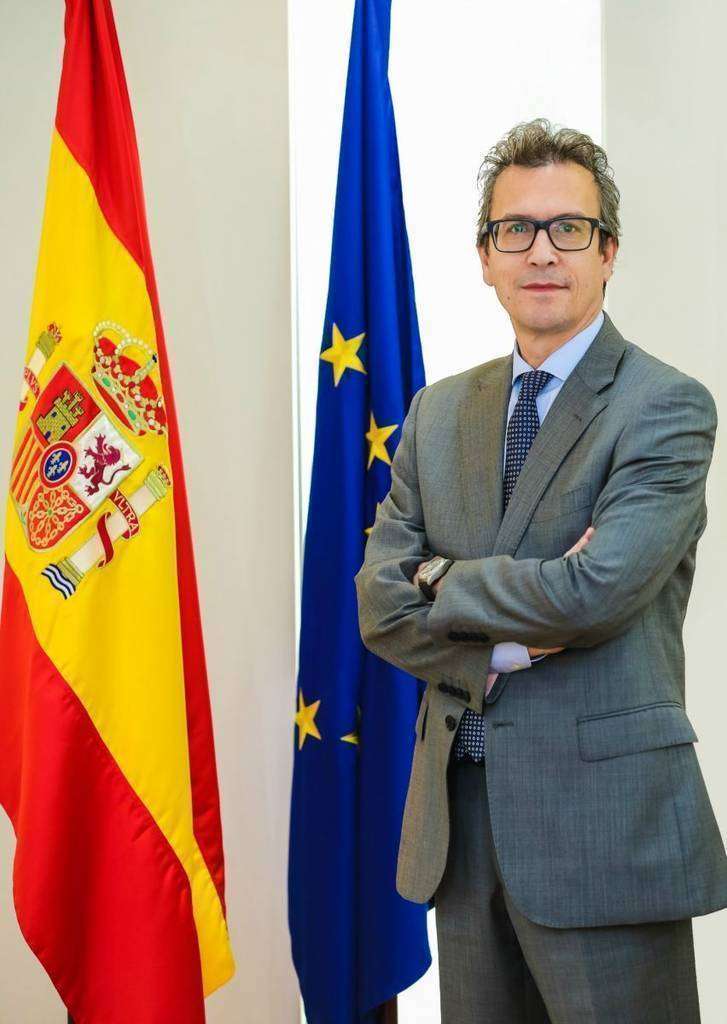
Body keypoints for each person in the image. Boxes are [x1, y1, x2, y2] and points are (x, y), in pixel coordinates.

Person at [353, 117, 727, 1022]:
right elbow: (378, 604)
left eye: (569, 228)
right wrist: (500, 649)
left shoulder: (663, 407)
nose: (541, 252)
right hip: (461, 825)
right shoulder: (437, 414)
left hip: (604, 831)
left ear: (608, 254)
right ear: (484, 257)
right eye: (514, 229)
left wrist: (441, 578)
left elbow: (593, 592)